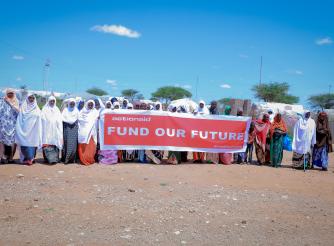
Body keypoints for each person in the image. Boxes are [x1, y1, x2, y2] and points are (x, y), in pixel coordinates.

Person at [15, 94, 42, 165]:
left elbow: (39, 119)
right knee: (24, 144)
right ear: (27, 98)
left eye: (32, 98)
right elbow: (19, 120)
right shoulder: (23, 108)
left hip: (33, 131)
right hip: (24, 130)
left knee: (32, 145)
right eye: (30, 98)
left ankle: (31, 158)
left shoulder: (37, 109)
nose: (31, 99)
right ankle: (25, 159)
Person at [41, 96, 63, 164]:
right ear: (48, 101)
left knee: (55, 143)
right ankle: (46, 158)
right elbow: (42, 119)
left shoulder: (57, 109)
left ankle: (55, 159)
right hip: (46, 129)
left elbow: (59, 120)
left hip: (55, 130)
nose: (52, 102)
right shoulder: (44, 109)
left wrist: (59, 129)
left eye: (53, 101)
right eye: (51, 101)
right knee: (46, 142)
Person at [0, 88, 19, 164]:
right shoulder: (2, 101)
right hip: (3, 125)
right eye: (9, 93)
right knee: (2, 141)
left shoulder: (16, 102)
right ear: (6, 93)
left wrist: (11, 104)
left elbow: (19, 112)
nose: (10, 94)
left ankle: (10, 158)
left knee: (12, 142)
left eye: (12, 93)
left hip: (13, 125)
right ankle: (2, 157)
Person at [78, 100, 99, 165]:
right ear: (86, 104)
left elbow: (97, 120)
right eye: (89, 105)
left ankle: (90, 159)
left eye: (91, 105)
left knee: (91, 148)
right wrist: (87, 122)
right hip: (84, 132)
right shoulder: (82, 112)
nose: (90, 106)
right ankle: (83, 159)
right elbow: (79, 119)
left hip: (92, 133)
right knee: (83, 146)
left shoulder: (95, 112)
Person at [61, 98, 79, 164]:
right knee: (66, 143)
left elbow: (78, 119)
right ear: (68, 103)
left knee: (73, 144)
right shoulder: (65, 110)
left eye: (73, 103)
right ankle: (65, 158)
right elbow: (62, 118)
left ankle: (72, 159)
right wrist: (68, 121)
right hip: (67, 128)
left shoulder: (76, 111)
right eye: (71, 103)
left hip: (74, 129)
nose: (72, 104)